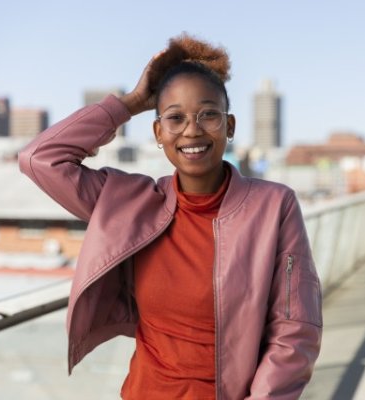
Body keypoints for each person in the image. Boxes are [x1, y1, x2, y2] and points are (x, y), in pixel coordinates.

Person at [18, 33, 322, 399]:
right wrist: (129, 103)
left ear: (230, 126)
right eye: (175, 118)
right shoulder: (129, 203)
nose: (192, 129)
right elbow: (39, 159)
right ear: (158, 132)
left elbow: (295, 330)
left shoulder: (274, 206)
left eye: (208, 114)